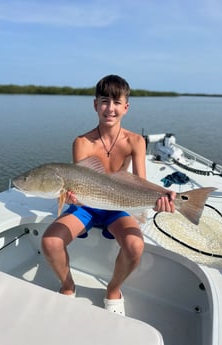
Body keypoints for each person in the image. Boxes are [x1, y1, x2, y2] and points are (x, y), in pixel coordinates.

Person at [42, 75, 175, 316]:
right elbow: (78, 183)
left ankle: (113, 290)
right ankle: (68, 286)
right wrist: (70, 197)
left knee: (135, 245)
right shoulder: (82, 142)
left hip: (119, 204)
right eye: (104, 101)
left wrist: (160, 196)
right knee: (51, 241)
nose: (110, 108)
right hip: (86, 203)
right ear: (95, 105)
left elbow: (139, 182)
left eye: (116, 102)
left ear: (126, 107)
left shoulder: (136, 141)